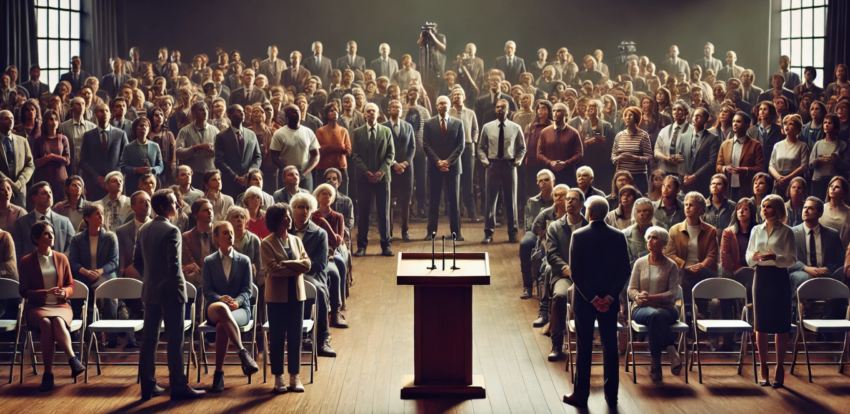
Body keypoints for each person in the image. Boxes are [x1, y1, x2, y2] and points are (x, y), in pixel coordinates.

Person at [135, 190, 205, 400]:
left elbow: (137, 261)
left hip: (149, 291)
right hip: (171, 293)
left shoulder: (144, 229)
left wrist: (150, 279)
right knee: (176, 340)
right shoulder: (172, 231)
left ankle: (147, 385)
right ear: (165, 208)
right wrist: (175, 290)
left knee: (149, 340)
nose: (178, 206)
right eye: (175, 203)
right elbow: (174, 267)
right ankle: (178, 386)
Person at [563, 196, 630, 408]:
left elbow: (576, 273)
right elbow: (624, 270)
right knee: (610, 346)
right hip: (609, 301)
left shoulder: (579, 235)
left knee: (584, 347)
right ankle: (612, 396)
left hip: (584, 300)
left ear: (588, 212)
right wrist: (609, 297)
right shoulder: (619, 236)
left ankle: (580, 395)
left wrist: (592, 299)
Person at [18, 221, 85, 391]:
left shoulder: (61, 258)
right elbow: (23, 290)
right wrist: (43, 293)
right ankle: (61, 366)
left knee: (57, 321)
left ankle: (59, 368)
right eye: (47, 234)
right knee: (47, 323)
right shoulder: (26, 261)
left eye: (52, 233)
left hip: (61, 306)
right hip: (37, 308)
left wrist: (64, 293)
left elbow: (70, 284)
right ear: (36, 238)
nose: (51, 236)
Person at [203, 221, 259, 393]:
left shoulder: (244, 261)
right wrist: (221, 299)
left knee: (222, 326)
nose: (230, 236)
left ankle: (218, 375)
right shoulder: (209, 261)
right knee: (221, 310)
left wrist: (237, 301)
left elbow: (247, 290)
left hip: (240, 309)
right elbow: (207, 290)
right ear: (216, 238)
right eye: (225, 233)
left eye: (231, 232)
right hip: (216, 307)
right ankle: (243, 352)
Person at [746, 194, 796, 388]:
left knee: (781, 323)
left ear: (777, 209)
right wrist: (754, 257)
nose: (764, 209)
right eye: (763, 206)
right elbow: (749, 255)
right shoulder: (755, 230)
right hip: (761, 276)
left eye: (769, 207)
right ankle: (763, 366)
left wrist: (776, 257)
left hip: (779, 277)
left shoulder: (787, 231)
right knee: (761, 323)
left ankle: (780, 366)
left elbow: (792, 258)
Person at [260, 202, 309, 393]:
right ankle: (279, 377)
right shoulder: (266, 243)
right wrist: (296, 267)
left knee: (296, 336)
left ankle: (294, 377)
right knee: (278, 337)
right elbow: (273, 269)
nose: (288, 219)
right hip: (276, 297)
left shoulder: (296, 240)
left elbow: (308, 265)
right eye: (284, 216)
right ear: (275, 220)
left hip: (297, 295)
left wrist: (287, 264)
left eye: (289, 215)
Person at [628, 225, 682, 383]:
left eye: (654, 237)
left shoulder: (671, 265)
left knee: (656, 317)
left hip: (666, 309)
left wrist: (653, 297)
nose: (650, 240)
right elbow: (631, 289)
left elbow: (673, 293)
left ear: (663, 243)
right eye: (649, 237)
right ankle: (672, 351)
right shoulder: (639, 263)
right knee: (654, 316)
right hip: (641, 308)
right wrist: (639, 296)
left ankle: (656, 366)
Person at [544, 188, 587, 359]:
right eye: (567, 199)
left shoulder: (588, 226)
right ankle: (557, 346)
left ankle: (588, 343)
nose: (569, 202)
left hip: (586, 277)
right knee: (560, 297)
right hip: (564, 275)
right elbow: (551, 255)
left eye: (574, 199)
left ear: (582, 203)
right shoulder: (555, 227)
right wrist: (567, 270)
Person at [788, 197, 846, 318]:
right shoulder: (791, 233)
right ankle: (797, 316)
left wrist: (828, 268)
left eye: (811, 208)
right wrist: (806, 268)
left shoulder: (832, 234)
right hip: (801, 272)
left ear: (820, 213)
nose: (806, 210)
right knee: (803, 277)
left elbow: (840, 259)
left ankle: (828, 321)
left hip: (825, 273)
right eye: (805, 207)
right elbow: (787, 258)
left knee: (840, 276)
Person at [479, 99, 525, 244]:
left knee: (511, 201)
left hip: (509, 165)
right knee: (490, 201)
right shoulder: (487, 127)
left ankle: (512, 233)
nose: (500, 109)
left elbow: (522, 148)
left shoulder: (516, 127)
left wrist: (517, 161)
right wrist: (486, 163)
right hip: (492, 165)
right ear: (494, 109)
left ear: (508, 110)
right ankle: (488, 233)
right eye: (498, 107)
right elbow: (480, 148)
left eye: (503, 107)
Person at [350, 103, 394, 256]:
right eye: (368, 111)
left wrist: (381, 172)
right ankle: (361, 246)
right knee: (363, 213)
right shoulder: (357, 132)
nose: (370, 113)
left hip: (383, 178)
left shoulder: (386, 131)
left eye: (373, 111)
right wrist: (367, 171)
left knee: (384, 213)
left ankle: (386, 245)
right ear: (364, 114)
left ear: (378, 113)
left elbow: (391, 155)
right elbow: (354, 155)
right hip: (363, 178)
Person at [664, 192, 718, 305]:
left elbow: (712, 256)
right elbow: (669, 254)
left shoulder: (711, 231)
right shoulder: (675, 230)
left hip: (704, 269)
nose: (687, 207)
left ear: (701, 211)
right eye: (686, 205)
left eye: (691, 205)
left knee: (698, 277)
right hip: (683, 270)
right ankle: (689, 311)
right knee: (683, 276)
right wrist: (685, 265)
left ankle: (700, 311)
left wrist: (701, 265)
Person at [422, 96, 464, 241]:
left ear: (449, 105)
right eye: (440, 103)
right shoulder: (429, 123)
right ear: (436, 105)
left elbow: (461, 146)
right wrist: (438, 162)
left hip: (453, 168)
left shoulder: (458, 123)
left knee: (454, 202)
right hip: (435, 167)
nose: (442, 106)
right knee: (433, 201)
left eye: (445, 103)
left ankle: (456, 233)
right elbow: (426, 145)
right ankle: (431, 233)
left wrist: (448, 162)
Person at [311, 185, 349, 328]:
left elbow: (338, 241)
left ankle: (337, 309)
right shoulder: (312, 216)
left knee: (339, 263)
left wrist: (326, 225)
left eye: (329, 194)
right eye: (323, 193)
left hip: (333, 251)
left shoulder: (338, 216)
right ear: (318, 196)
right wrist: (323, 222)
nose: (326, 196)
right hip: (317, 252)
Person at [12, 182, 74, 264]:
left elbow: (73, 246)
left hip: (58, 268)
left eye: (50, 192)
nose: (49, 195)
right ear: (34, 198)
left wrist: (61, 260)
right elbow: (17, 251)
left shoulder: (64, 222)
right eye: (44, 193)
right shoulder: (21, 223)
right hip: (32, 270)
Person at [213, 104, 262, 200]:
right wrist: (235, 177)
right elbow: (219, 161)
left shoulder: (251, 134)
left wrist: (250, 173)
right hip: (230, 183)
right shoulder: (221, 136)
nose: (242, 113)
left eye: (243, 111)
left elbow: (258, 157)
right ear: (230, 115)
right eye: (238, 111)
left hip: (248, 183)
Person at [521, 169, 555, 304]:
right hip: (536, 233)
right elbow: (528, 223)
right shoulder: (532, 201)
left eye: (546, 179)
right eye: (540, 180)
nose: (543, 183)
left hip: (555, 232)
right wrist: (541, 233)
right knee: (525, 244)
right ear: (537, 183)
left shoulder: (559, 197)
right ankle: (528, 286)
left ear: (553, 181)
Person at [383, 99, 415, 241]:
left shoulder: (408, 127)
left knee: (406, 201)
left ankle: (405, 231)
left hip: (406, 169)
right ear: (389, 110)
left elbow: (412, 147)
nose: (397, 109)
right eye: (394, 107)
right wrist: (394, 163)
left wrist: (405, 163)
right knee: (388, 201)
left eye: (399, 107)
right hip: (390, 168)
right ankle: (388, 231)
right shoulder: (383, 127)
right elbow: (382, 148)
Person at [270, 104, 320, 192]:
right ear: (285, 116)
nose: (295, 113)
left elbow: (316, 155)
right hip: (286, 174)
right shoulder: (279, 134)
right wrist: (289, 171)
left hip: (305, 174)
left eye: (297, 111)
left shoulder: (308, 132)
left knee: (306, 201)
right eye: (291, 112)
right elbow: (274, 157)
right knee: (286, 202)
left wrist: (305, 173)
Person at [716, 112, 764, 201]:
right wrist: (725, 168)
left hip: (747, 188)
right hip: (728, 189)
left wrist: (745, 170)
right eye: (733, 121)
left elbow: (760, 168)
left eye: (738, 121)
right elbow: (718, 165)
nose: (735, 124)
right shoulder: (725, 144)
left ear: (747, 125)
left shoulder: (756, 145)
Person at [448, 88, 479, 222]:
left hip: (467, 148)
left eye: (459, 94)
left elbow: (475, 130)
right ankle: (455, 213)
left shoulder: (470, 113)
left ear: (464, 97)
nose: (456, 96)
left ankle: (471, 213)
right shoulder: (448, 112)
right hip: (452, 149)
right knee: (454, 180)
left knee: (468, 181)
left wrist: (473, 142)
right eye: (454, 95)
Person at [536, 103, 583, 187]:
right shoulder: (545, 132)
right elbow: (539, 154)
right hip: (550, 172)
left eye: (558, 111)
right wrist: (550, 163)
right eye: (554, 111)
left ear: (565, 114)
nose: (555, 113)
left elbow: (579, 153)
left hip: (568, 173)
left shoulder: (573, 132)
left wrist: (566, 163)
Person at [176, 101, 219, 190]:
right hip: (192, 175)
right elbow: (178, 152)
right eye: (201, 110)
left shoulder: (215, 131)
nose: (205, 111)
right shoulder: (184, 131)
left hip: (211, 174)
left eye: (206, 109)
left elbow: (224, 152)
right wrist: (195, 148)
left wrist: (214, 150)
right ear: (194, 113)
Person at [32, 109, 71, 201]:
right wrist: (46, 159)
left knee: (60, 206)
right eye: (51, 119)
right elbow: (35, 163)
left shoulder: (63, 139)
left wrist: (52, 156)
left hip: (60, 179)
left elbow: (67, 160)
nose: (54, 122)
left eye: (56, 119)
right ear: (46, 121)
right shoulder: (38, 140)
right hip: (43, 179)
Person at [612, 107, 653, 194]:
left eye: (630, 115)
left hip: (638, 176)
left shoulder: (643, 135)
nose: (627, 118)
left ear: (636, 118)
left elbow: (649, 157)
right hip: (622, 177)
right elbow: (613, 157)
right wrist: (619, 158)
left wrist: (635, 158)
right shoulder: (619, 136)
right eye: (625, 115)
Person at [809, 114, 850, 201]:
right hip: (818, 181)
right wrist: (818, 160)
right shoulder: (818, 144)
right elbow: (810, 164)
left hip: (834, 181)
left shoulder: (842, 145)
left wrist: (837, 160)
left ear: (836, 128)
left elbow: (847, 166)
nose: (826, 125)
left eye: (830, 123)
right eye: (825, 122)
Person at [681, 107, 720, 197]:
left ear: (706, 120)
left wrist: (695, 176)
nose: (695, 118)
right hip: (685, 182)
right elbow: (682, 158)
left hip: (703, 182)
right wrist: (685, 176)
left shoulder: (712, 138)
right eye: (694, 116)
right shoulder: (684, 137)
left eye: (699, 116)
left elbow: (712, 162)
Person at [0, 110, 35, 208]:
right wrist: (6, 180)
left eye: (12, 118)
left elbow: (30, 164)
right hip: (1, 189)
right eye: (6, 118)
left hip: (20, 189)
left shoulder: (22, 141)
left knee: (20, 218)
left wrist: (20, 181)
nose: (10, 120)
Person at [315, 102, 351, 196]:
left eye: (336, 110)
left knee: (342, 196)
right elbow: (320, 150)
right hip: (324, 168)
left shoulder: (343, 131)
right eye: (331, 110)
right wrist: (340, 147)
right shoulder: (320, 131)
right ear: (327, 114)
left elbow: (348, 151)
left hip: (341, 168)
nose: (334, 112)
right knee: (323, 196)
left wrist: (343, 149)